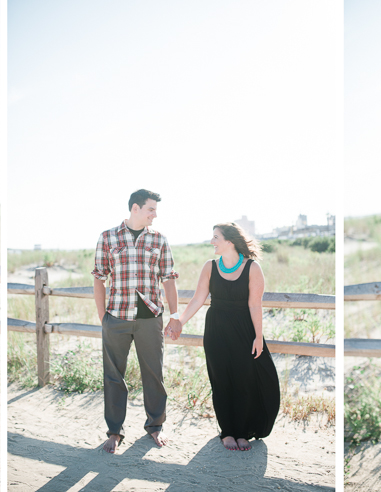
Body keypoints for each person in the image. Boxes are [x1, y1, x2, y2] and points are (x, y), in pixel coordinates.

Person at [172, 223, 280, 451]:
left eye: (216, 237)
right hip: (216, 331)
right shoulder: (210, 267)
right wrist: (179, 322)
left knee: (244, 381)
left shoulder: (252, 268)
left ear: (229, 241)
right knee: (221, 382)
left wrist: (258, 337)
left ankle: (242, 432)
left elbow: (255, 305)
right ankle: (227, 432)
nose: (212, 242)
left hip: (244, 332)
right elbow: (198, 299)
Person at [91, 189, 179, 453]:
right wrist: (102, 317)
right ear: (135, 209)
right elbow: (99, 277)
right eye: (151, 209)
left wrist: (175, 316)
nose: (155, 214)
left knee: (154, 374)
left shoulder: (159, 239)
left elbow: (169, 279)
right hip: (116, 317)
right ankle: (115, 432)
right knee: (113, 377)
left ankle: (155, 426)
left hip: (150, 319)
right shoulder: (108, 237)